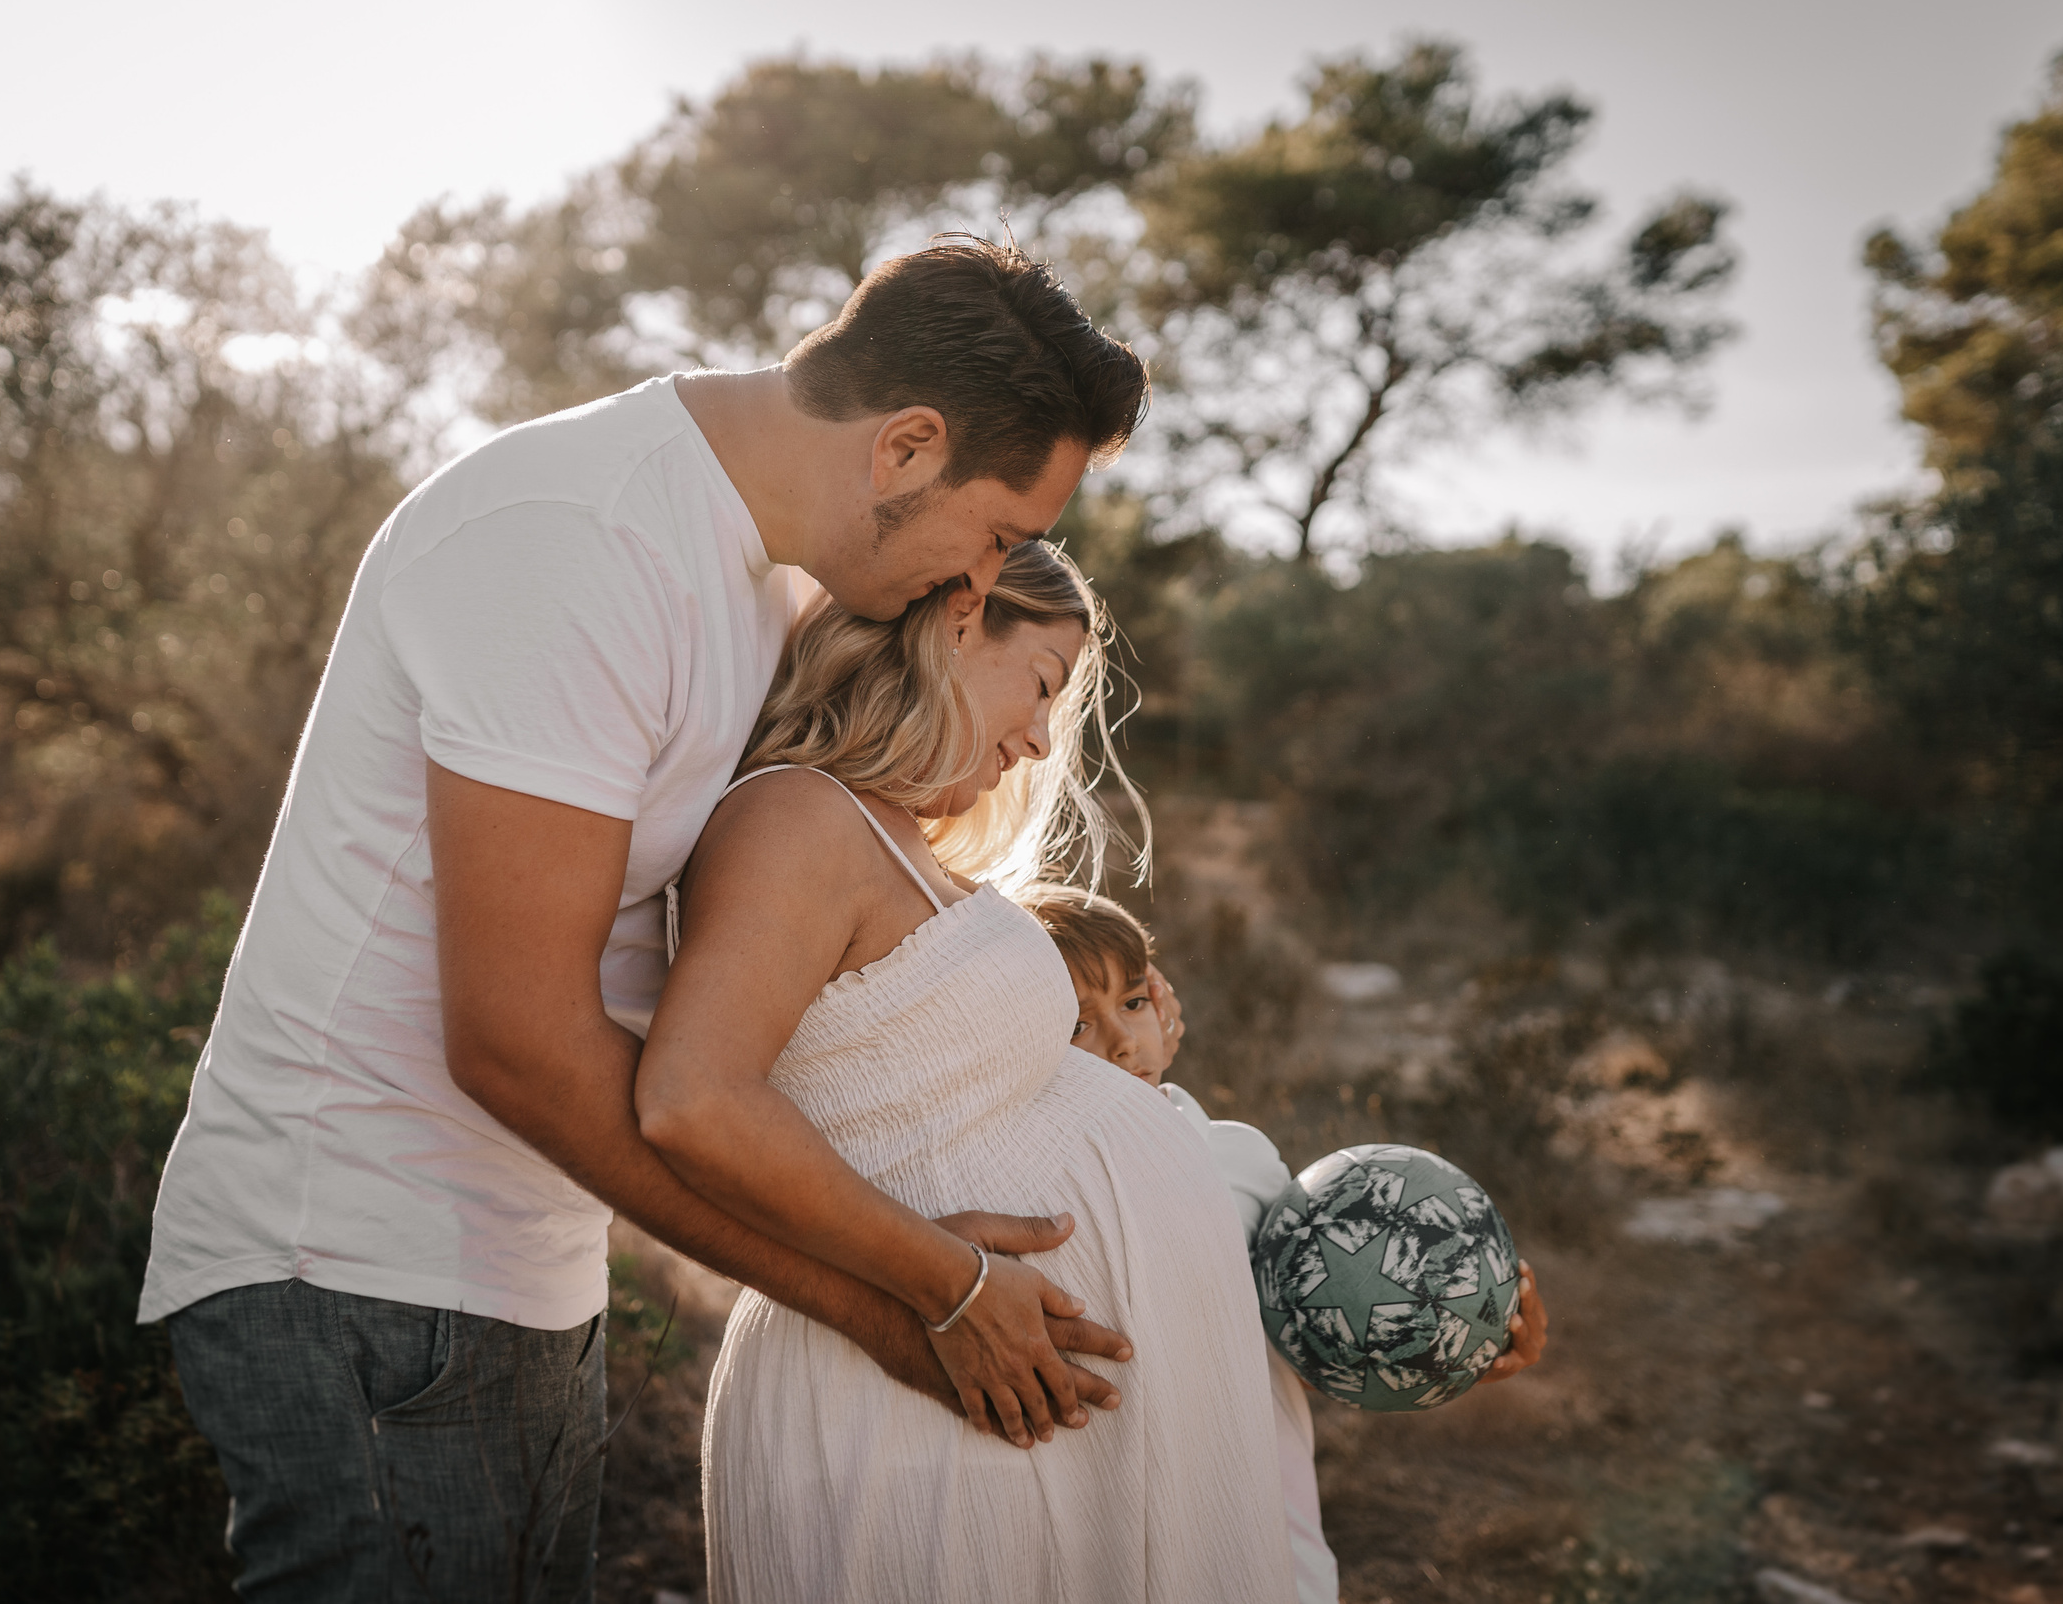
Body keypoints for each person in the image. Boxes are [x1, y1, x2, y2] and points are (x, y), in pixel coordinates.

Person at [135, 238, 1149, 1601]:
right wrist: (914, 1299)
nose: (984, 580)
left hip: (526, 1260)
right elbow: (513, 1039)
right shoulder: (576, 538)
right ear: (907, 447)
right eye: (1002, 533)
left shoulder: (768, 575)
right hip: (362, 1261)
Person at [636, 542, 1303, 1602]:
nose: (1040, 737)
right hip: (916, 1398)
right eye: (1039, 684)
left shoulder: (894, 842)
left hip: (999, 1394)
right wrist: (957, 1289)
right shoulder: (797, 815)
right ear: (958, 622)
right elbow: (692, 1100)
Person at [1018, 882, 1554, 1604]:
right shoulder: (1027, 1191)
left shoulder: (1238, 1160)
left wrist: (1445, 1341)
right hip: (1104, 1523)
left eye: (1134, 1002)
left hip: (1259, 1501)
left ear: (1164, 1004)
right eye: (1078, 1022)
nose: (1120, 1040)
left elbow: (1294, 1340)